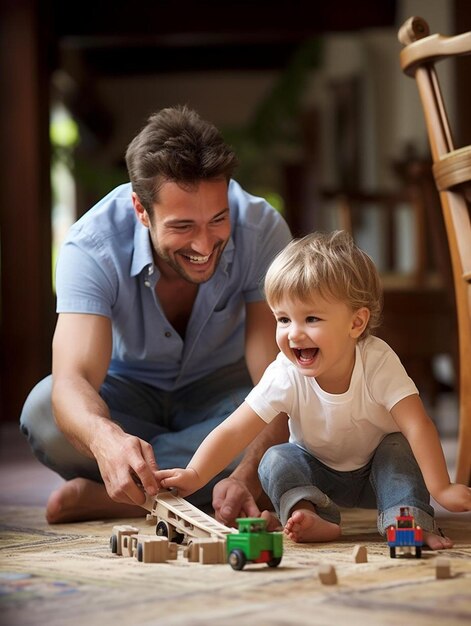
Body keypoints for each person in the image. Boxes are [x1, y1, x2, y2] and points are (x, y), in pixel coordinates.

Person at [19, 104, 292, 525]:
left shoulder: (261, 229)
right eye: (183, 226)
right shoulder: (91, 245)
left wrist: (244, 473)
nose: (205, 243)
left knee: (288, 416)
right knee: (43, 412)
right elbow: (72, 379)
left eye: (218, 219)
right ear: (141, 209)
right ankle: (192, 481)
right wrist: (106, 438)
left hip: (220, 397)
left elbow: (276, 380)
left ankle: (118, 495)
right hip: (128, 395)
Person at [156, 230, 471, 548]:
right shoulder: (285, 372)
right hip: (317, 475)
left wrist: (441, 487)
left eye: (311, 318)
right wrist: (195, 474)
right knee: (275, 459)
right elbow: (235, 430)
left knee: (398, 448)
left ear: (355, 324)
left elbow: (417, 424)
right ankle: (309, 515)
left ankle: (408, 526)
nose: (294, 334)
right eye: (283, 319)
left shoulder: (377, 361)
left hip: (380, 475)